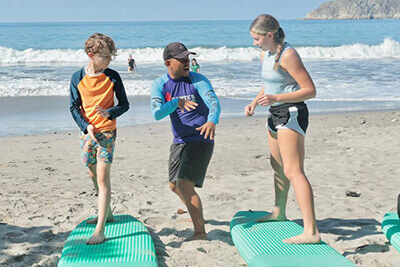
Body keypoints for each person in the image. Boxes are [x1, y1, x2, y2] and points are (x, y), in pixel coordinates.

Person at [244, 14, 320, 244]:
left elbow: (310, 90)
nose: (254, 43)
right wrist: (255, 101)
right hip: (275, 113)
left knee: (293, 171)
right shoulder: (265, 54)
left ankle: (311, 232)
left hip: (292, 113)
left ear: (269, 35)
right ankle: (279, 212)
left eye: (257, 38)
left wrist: (277, 97)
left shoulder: (289, 55)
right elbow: (269, 83)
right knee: (276, 165)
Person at [150, 42, 221, 241]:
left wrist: (211, 121)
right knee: (174, 185)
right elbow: (157, 114)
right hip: (179, 140)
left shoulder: (198, 80)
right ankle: (195, 214)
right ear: (168, 63)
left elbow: (213, 102)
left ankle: (200, 232)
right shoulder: (160, 84)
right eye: (181, 59)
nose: (186, 62)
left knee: (184, 184)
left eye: (187, 58)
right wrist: (176, 103)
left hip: (201, 136)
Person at [70, 33, 130, 245]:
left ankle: (100, 229)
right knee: (91, 172)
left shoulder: (113, 77)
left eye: (111, 56)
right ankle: (108, 213)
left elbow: (124, 104)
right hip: (88, 133)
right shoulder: (77, 78)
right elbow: (74, 107)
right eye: (105, 56)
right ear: (91, 55)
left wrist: (110, 113)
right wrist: (86, 127)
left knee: (103, 177)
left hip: (107, 133)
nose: (109, 60)